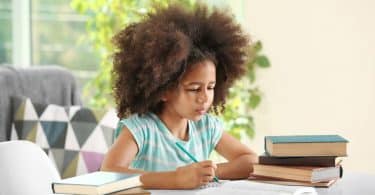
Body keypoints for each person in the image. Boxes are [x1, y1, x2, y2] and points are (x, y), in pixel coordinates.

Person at [101, 3, 258, 189]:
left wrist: (211, 172)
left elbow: (251, 161)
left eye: (210, 87)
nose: (205, 98)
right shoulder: (142, 129)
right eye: (194, 89)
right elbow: (109, 172)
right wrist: (175, 179)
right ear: (164, 89)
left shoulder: (205, 127)